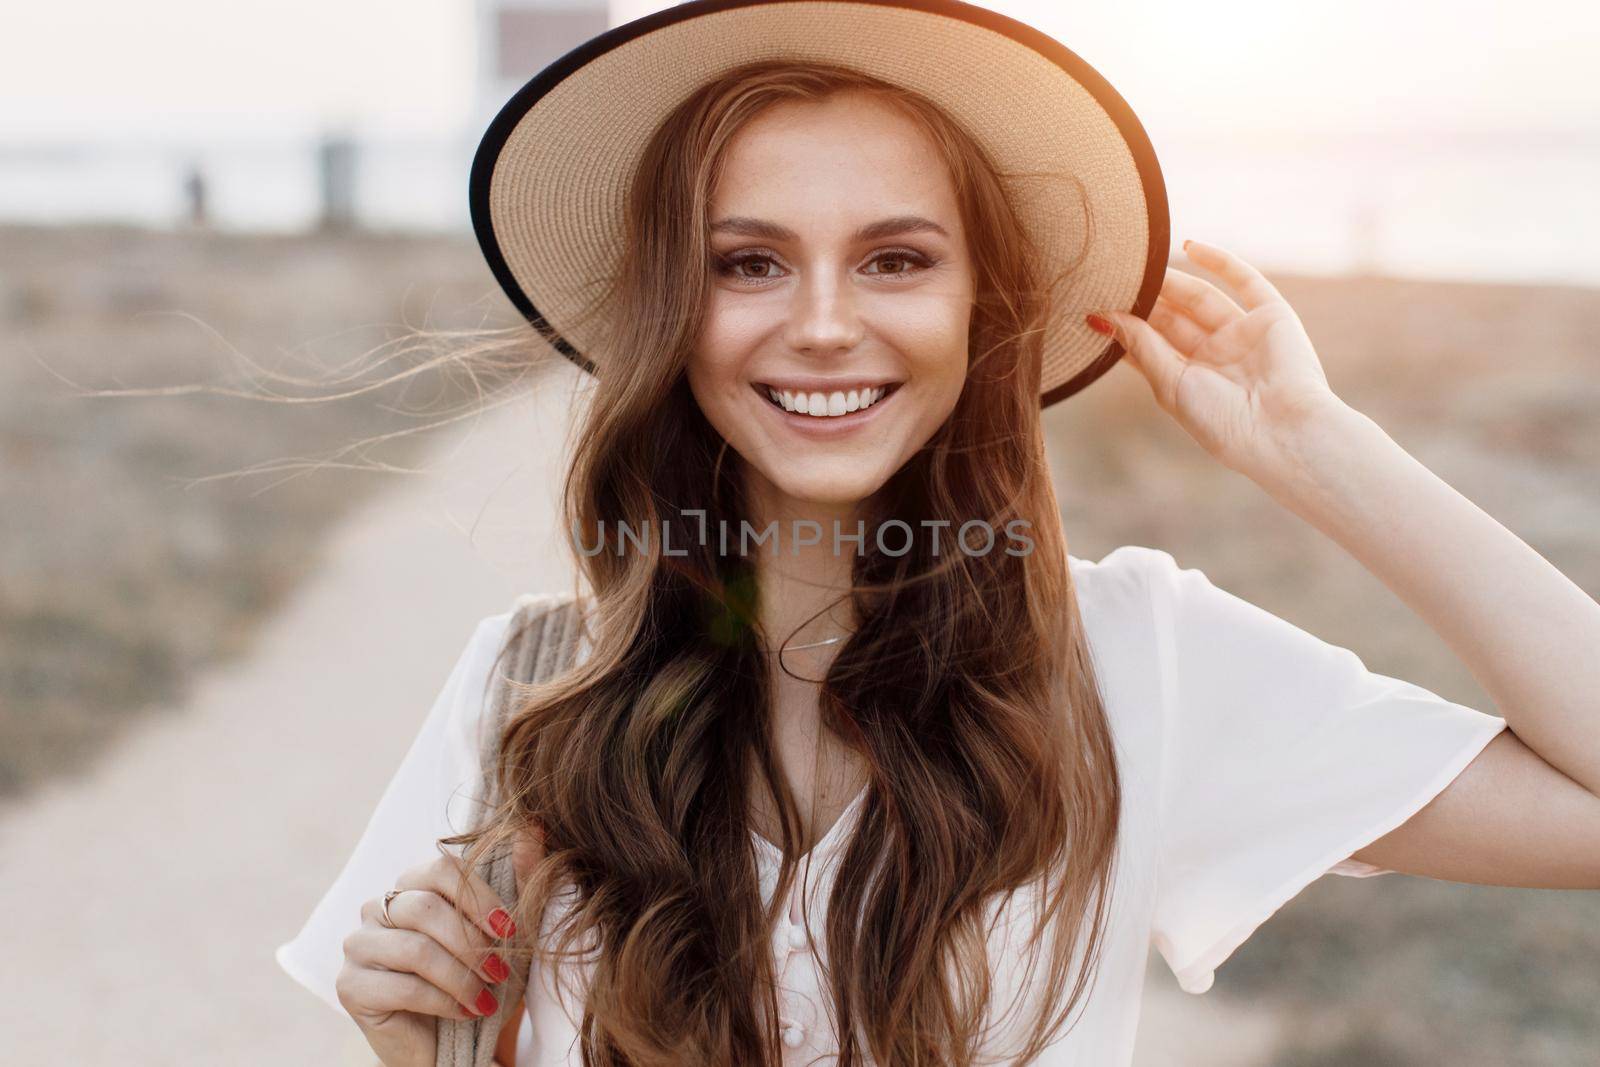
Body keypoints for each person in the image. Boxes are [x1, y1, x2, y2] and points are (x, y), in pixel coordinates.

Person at [275, 2, 1600, 1064]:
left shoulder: (1136, 661)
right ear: (675, 309)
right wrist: (426, 1054)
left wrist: (1320, 452)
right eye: (748, 262)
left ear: (983, 306)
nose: (824, 322)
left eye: (896, 259)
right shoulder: (526, 685)